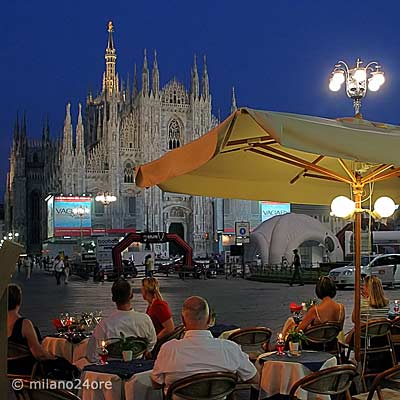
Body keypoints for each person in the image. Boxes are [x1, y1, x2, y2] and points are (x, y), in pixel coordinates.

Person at [151, 296, 259, 393]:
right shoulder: (230, 348)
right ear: (209, 320)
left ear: (183, 320)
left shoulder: (169, 349)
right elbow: (255, 378)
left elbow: (156, 384)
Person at [7, 284, 78, 379]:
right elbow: (39, 354)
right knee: (68, 367)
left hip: (8, 369)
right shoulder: (24, 324)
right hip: (28, 371)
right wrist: (55, 358)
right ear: (19, 301)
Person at [86, 279, 157, 362]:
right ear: (131, 295)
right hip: (138, 368)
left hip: (111, 370)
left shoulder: (104, 325)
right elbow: (152, 343)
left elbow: (92, 355)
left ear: (113, 298)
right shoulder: (145, 320)